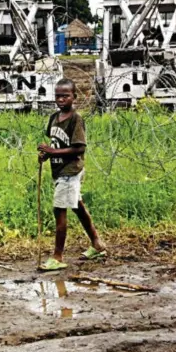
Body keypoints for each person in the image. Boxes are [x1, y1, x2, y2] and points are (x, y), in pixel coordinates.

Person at [37, 78, 106, 271]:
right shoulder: (53, 118)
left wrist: (53, 153)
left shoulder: (76, 119)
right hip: (59, 170)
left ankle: (57, 257)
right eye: (58, 96)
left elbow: (78, 148)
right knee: (77, 206)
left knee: (60, 211)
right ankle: (97, 244)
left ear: (74, 97)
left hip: (70, 171)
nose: (61, 99)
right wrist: (46, 154)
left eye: (65, 96)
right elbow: (56, 143)